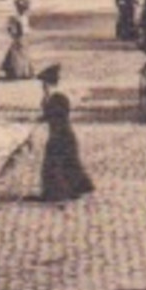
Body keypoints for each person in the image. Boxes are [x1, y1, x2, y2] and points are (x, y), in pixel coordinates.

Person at [37, 64, 94, 203]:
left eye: (44, 83)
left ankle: (59, 191)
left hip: (63, 135)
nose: (42, 87)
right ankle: (68, 189)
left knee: (58, 163)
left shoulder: (58, 97)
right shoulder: (49, 97)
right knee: (65, 162)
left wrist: (47, 118)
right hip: (57, 134)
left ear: (50, 83)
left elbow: (59, 116)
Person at [1, 0, 35, 80]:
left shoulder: (24, 17)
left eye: (24, 8)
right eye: (22, 8)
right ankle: (17, 73)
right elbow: (9, 27)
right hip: (19, 38)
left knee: (23, 55)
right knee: (17, 55)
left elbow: (26, 28)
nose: (23, 10)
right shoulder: (15, 17)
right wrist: (13, 35)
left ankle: (24, 72)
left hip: (24, 37)